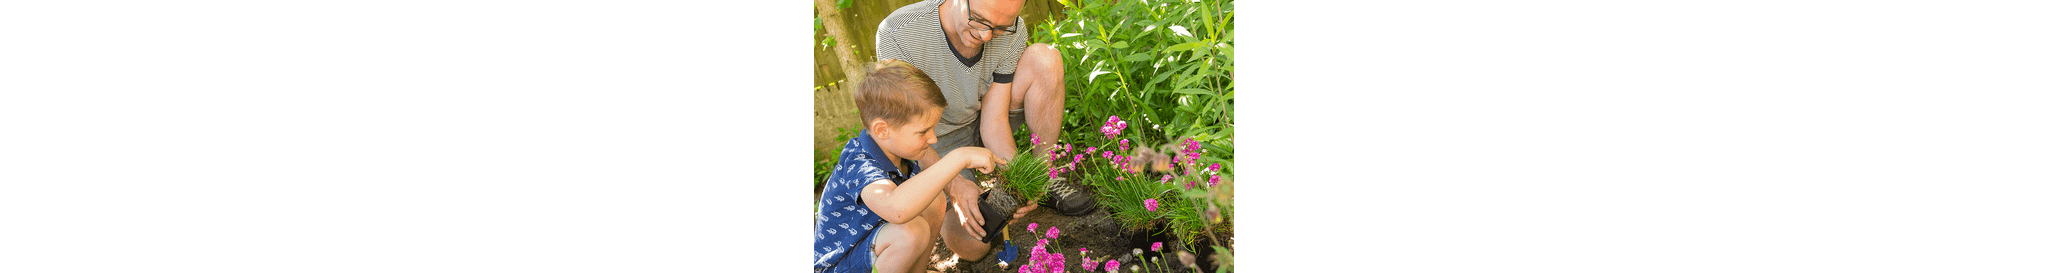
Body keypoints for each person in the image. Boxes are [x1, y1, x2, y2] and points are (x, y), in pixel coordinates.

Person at [872, 0, 1092, 263]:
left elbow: (994, 121)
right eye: (978, 20)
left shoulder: (1014, 31)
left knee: (1045, 59)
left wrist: (1018, 177)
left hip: (980, 117)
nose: (986, 36)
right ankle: (938, 204)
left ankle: (1043, 175)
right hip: (930, 140)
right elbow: (904, 133)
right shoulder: (899, 33)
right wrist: (955, 186)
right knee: (974, 246)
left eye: (1000, 27)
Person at [814, 60, 1012, 273]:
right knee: (910, 233)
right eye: (923, 132)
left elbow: (930, 177)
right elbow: (896, 209)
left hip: (872, 253)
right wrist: (960, 157)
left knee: (933, 200)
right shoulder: (858, 164)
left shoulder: (898, 150)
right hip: (838, 267)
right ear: (882, 130)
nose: (933, 139)